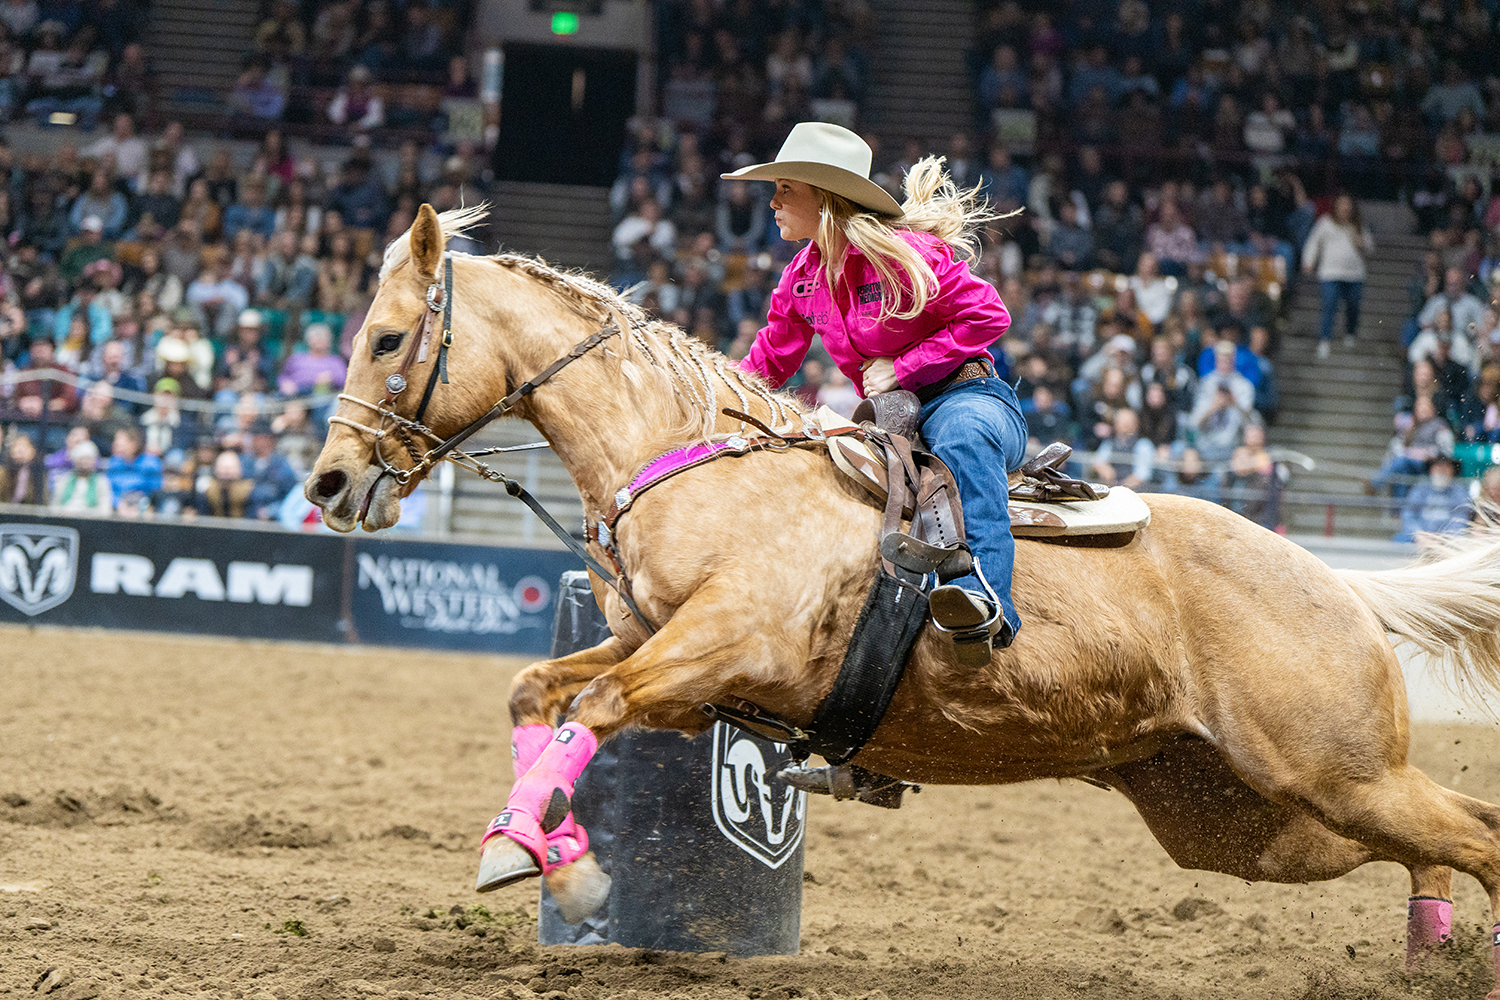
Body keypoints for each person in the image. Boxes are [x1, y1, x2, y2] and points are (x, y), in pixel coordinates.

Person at [724, 122, 1026, 663]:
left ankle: (984, 597)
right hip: (890, 418)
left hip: (969, 397)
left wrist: (903, 366)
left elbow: (989, 315)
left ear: (823, 198)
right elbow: (769, 360)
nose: (772, 201)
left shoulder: (907, 253)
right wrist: (720, 406)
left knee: (962, 436)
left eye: (785, 188)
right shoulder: (802, 278)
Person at [1301, 194, 1374, 359]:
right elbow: (1313, 242)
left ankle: (1350, 333)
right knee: (1329, 305)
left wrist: (1361, 241)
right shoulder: (1325, 223)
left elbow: (1370, 247)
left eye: (1348, 205)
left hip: (1354, 274)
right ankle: (1325, 339)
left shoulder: (1358, 225)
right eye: (1342, 205)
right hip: (1330, 273)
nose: (1345, 209)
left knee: (1353, 305)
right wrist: (1308, 261)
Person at [1396, 454, 1470, 544]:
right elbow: (1409, 514)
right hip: (1419, 539)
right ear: (1431, 470)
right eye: (1438, 467)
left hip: (1448, 540)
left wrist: (1443, 538)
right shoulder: (1420, 490)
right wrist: (1419, 534)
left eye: (1446, 468)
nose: (1442, 471)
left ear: (1452, 471)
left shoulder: (1459, 493)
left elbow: (1460, 519)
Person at [51, 438, 113, 513]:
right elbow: (54, 506)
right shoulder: (64, 480)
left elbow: (105, 509)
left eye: (88, 459)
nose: (84, 463)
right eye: (82, 459)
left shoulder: (101, 482)